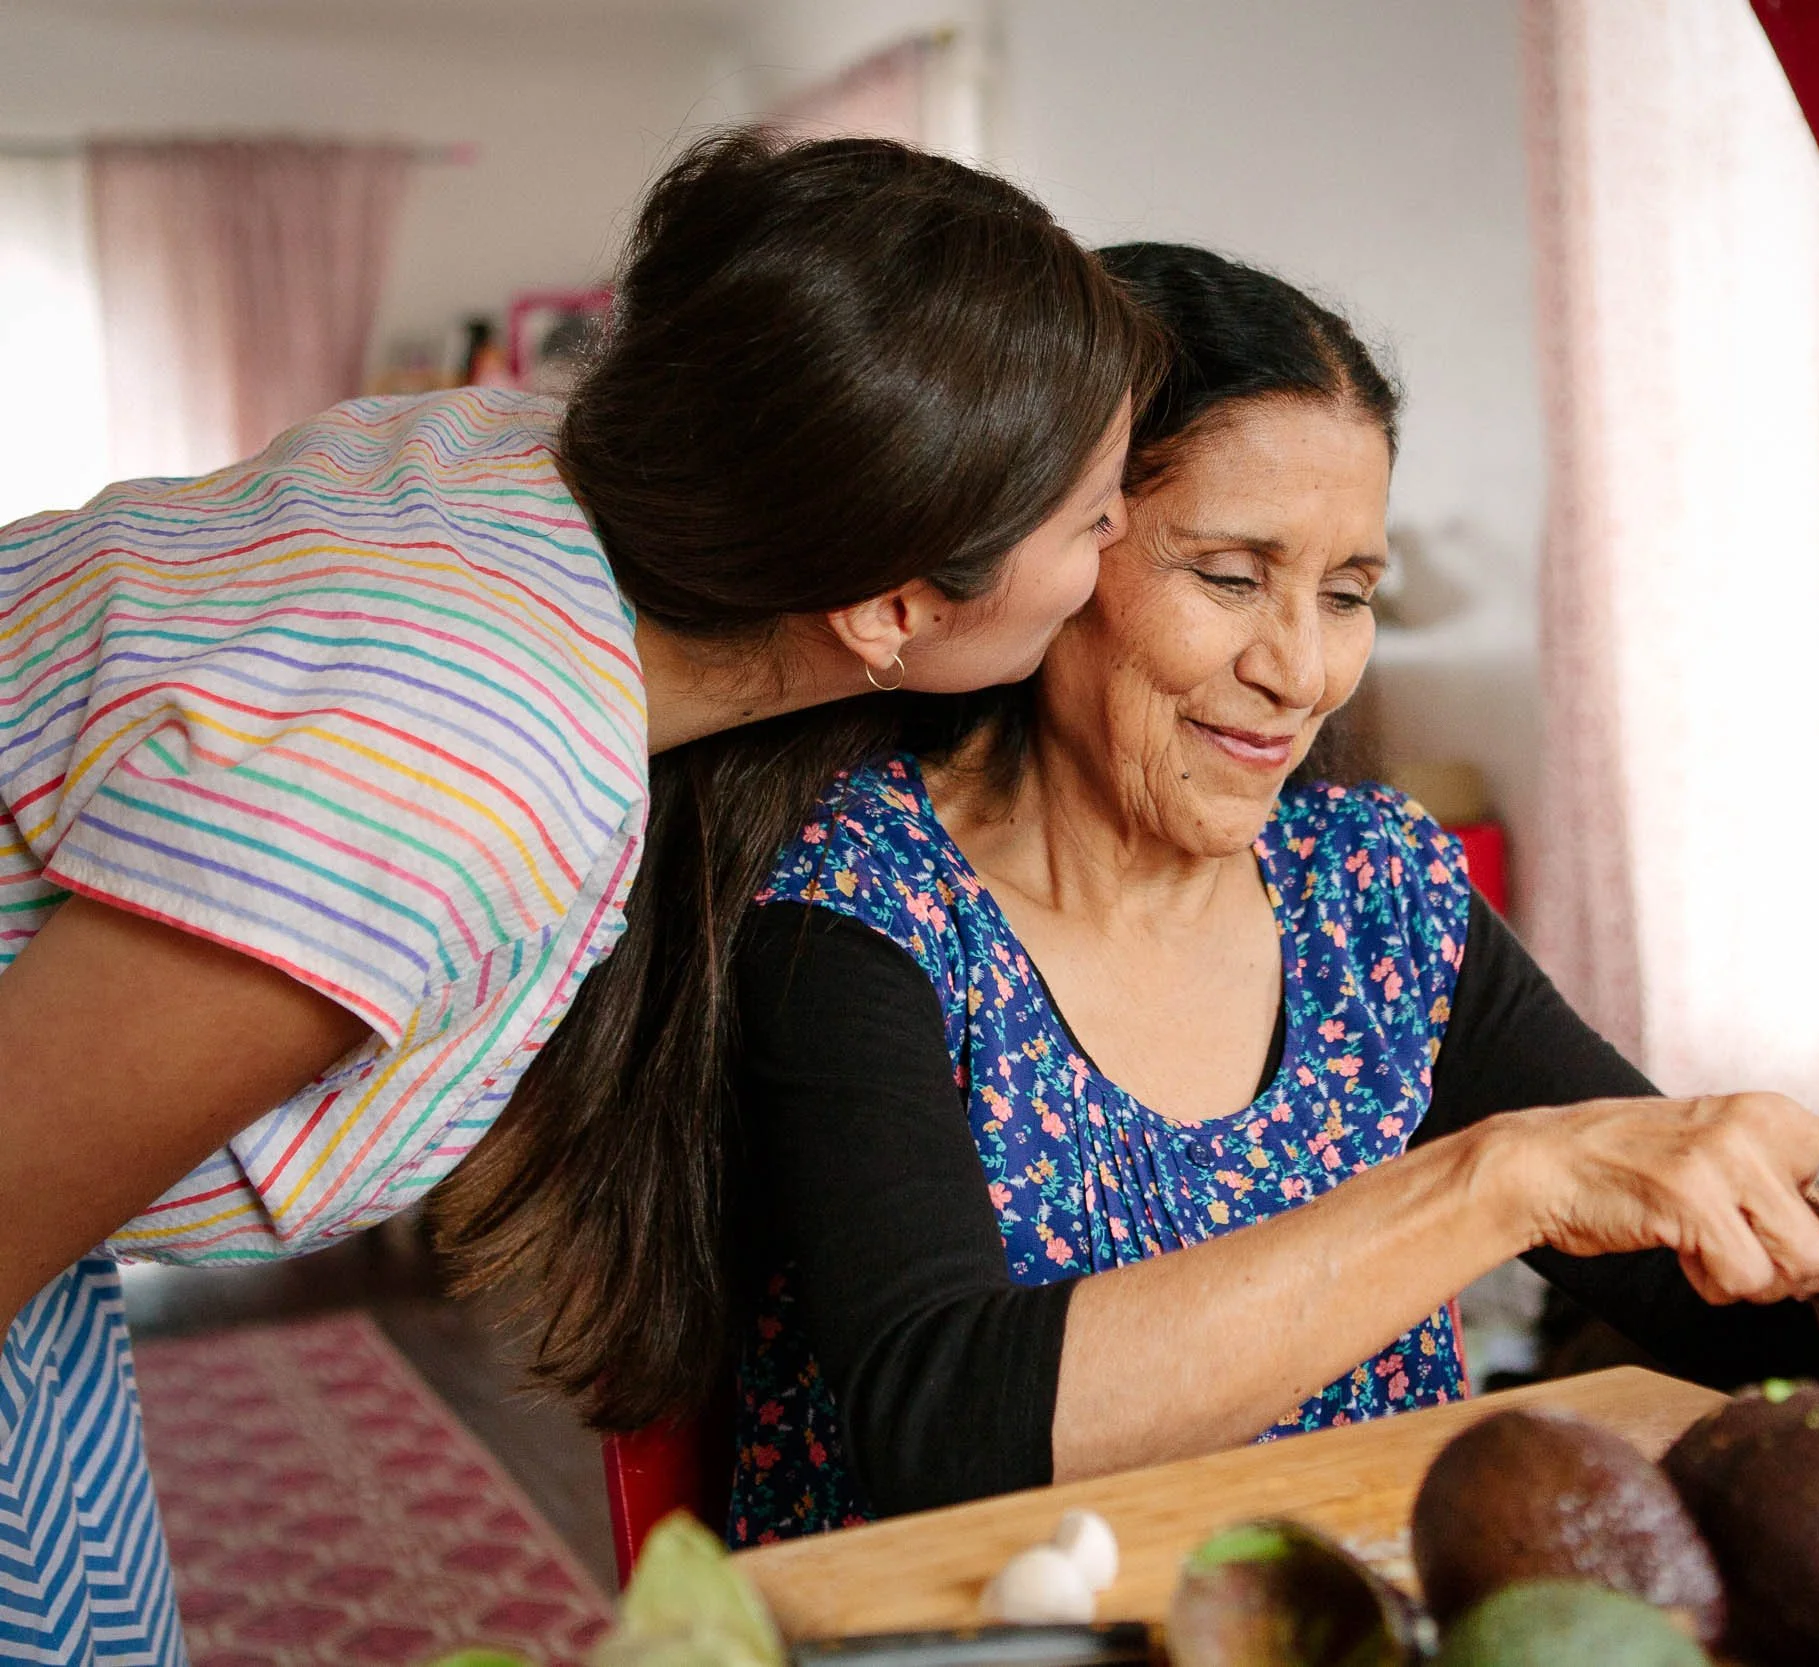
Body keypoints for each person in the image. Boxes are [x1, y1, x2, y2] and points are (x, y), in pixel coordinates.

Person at [706, 244, 1819, 1545]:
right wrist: (1502, 1177)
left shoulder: (1370, 897)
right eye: (1229, 577)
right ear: (1060, 555)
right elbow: (938, 1421)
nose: (1297, 669)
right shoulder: (859, 902)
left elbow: (1731, 1332)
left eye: (1349, 591)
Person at [0, 132, 1159, 1662]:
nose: (1122, 543)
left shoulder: (534, 467)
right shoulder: (451, 776)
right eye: (1091, 518)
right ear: (889, 605)